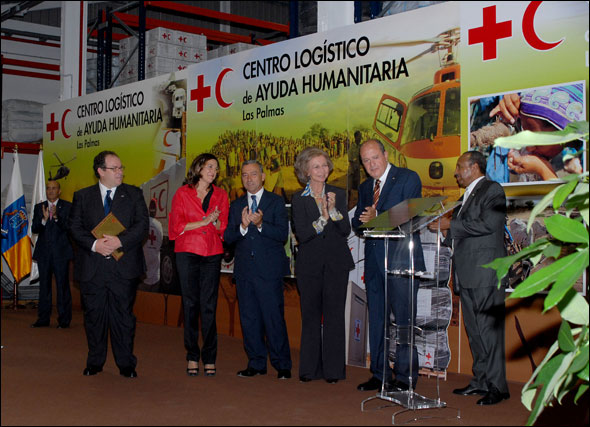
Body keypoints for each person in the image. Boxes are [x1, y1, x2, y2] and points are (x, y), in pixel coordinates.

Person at [428, 150, 509, 405]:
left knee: (489, 333)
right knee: (475, 332)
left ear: (474, 167)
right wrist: (442, 230)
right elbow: (461, 233)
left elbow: (490, 225)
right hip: (468, 273)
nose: (455, 172)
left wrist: (449, 225)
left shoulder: (492, 190)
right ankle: (481, 380)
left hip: (486, 273)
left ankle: (498, 387)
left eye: (459, 166)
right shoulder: (466, 196)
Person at [352, 139, 425, 392]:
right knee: (378, 321)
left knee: (404, 322)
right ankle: (380, 374)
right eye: (366, 161)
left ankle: (405, 379)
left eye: (375, 157)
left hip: (402, 261)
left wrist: (377, 217)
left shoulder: (408, 178)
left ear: (385, 154)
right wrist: (363, 221)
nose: (371, 164)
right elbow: (358, 224)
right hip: (374, 264)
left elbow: (411, 214)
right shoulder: (365, 187)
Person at [69, 150, 149, 378]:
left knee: (123, 317)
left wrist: (119, 241)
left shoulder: (133, 194)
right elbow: (74, 228)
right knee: (94, 317)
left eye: (121, 168)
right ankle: (95, 361)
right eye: (114, 168)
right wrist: (95, 245)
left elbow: (142, 225)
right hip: (92, 267)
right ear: (100, 171)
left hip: (123, 268)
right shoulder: (82, 196)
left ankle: (126, 364)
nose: (120, 172)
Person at [224, 160, 292, 380]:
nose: (249, 178)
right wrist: (242, 227)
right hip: (244, 271)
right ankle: (256, 363)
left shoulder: (276, 202)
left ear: (263, 177)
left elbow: (282, 234)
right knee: (249, 319)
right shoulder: (236, 205)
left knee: (273, 318)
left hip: (269, 271)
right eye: (244, 175)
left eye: (253, 174)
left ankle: (282, 365)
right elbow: (227, 238)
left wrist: (262, 224)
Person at [291, 147, 354, 384]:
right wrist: (323, 219)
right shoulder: (299, 198)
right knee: (310, 316)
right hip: (309, 265)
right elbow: (304, 234)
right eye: (316, 166)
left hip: (336, 263)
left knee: (334, 316)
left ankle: (334, 371)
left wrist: (334, 210)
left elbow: (345, 230)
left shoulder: (337, 193)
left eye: (325, 165)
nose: (322, 170)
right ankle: (309, 369)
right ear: (306, 171)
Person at [169, 153, 229, 377]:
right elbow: (176, 227)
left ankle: (210, 357)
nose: (213, 171)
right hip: (187, 252)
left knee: (209, 307)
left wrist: (216, 222)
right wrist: (203, 222)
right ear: (198, 168)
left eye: (216, 168)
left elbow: (223, 227)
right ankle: (192, 355)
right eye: (209, 166)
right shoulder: (182, 193)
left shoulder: (221, 195)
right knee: (190, 305)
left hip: (212, 253)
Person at [30, 179, 73, 329]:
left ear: (59, 191)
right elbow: (34, 228)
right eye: (48, 188)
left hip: (61, 254)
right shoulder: (39, 207)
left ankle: (64, 320)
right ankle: (43, 319)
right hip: (44, 254)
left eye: (54, 188)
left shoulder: (67, 207)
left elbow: (69, 228)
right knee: (44, 287)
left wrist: (55, 217)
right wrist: (43, 219)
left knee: (62, 287)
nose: (51, 191)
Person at [142, 199, 163, 287]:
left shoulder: (143, 223)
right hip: (155, 275)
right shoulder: (159, 225)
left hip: (143, 275)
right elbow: (160, 243)